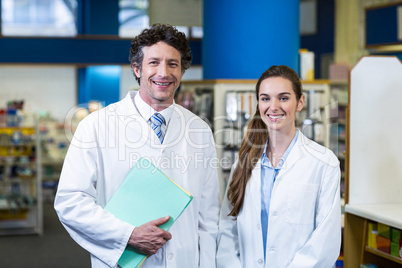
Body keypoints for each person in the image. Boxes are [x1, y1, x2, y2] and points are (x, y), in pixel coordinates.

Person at [54, 24, 220, 268]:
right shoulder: (96, 126)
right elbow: (70, 201)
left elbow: (209, 216)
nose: (163, 73)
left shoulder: (200, 130)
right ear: (137, 69)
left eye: (173, 64)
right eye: (153, 62)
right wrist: (127, 234)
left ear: (182, 71)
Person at [216, 65, 341, 267]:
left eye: (283, 98)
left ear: (300, 102)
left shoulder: (323, 163)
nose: (273, 106)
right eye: (265, 98)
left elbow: (325, 241)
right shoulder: (244, 162)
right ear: (258, 103)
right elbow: (228, 229)